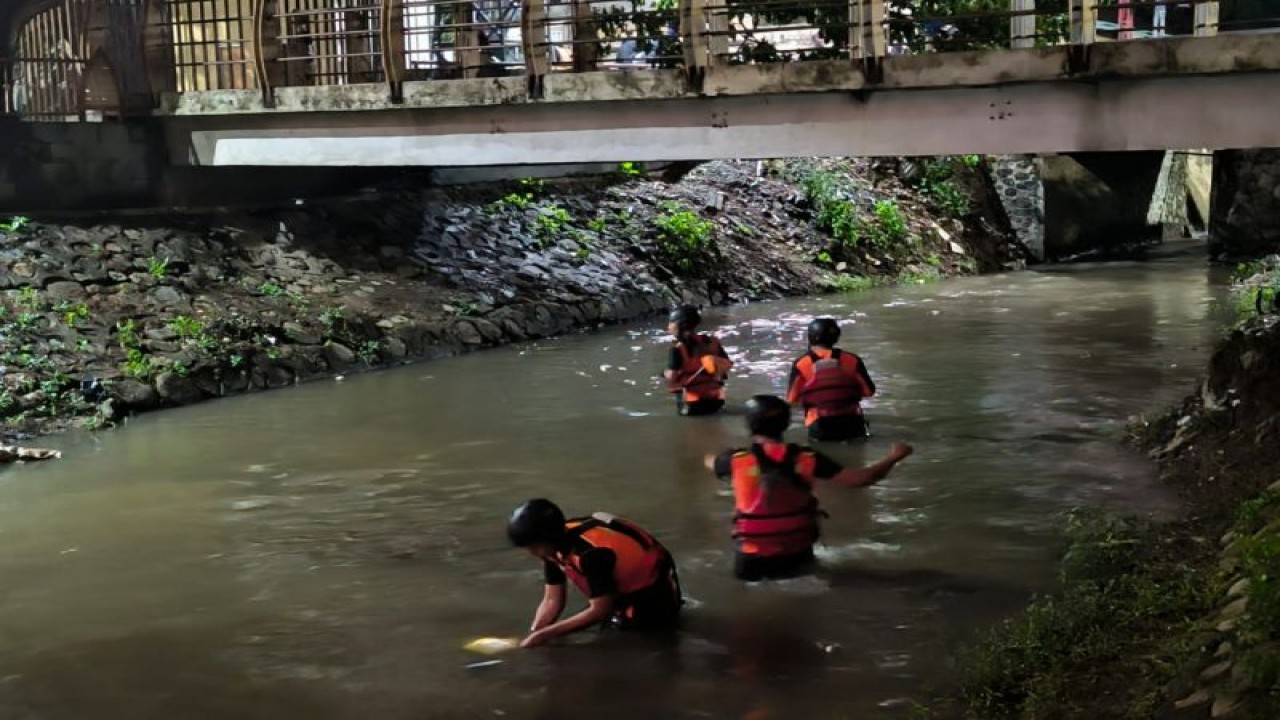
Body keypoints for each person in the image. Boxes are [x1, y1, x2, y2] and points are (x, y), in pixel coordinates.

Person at [707, 395, 912, 581]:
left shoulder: (735, 460)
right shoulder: (807, 458)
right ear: (786, 423)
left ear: (749, 426)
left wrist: (713, 459)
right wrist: (895, 456)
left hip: (751, 557)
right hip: (796, 551)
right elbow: (862, 479)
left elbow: (711, 463)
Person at [507, 499, 683, 647]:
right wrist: (536, 631)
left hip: (653, 594)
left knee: (626, 644)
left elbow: (600, 611)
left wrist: (545, 635)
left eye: (534, 547)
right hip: (621, 593)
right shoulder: (554, 547)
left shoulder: (591, 554)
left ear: (550, 538)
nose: (531, 552)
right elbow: (552, 600)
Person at [786, 317, 876, 442]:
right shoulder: (852, 359)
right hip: (852, 421)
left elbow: (792, 399)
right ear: (836, 337)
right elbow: (868, 392)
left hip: (819, 424)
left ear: (810, 337)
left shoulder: (802, 363)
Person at [664, 304, 733, 416]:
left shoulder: (677, 349)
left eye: (671, 322)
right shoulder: (712, 342)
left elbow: (672, 377)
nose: (668, 326)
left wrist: (665, 375)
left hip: (692, 402)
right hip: (717, 399)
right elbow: (727, 364)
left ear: (680, 325)